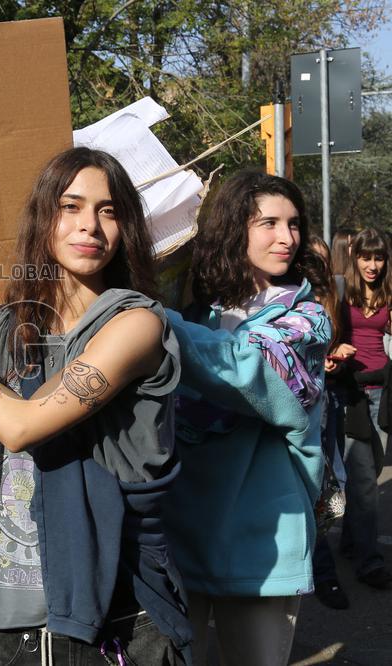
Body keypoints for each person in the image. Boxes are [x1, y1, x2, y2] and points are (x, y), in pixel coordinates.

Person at [0, 147, 191, 665]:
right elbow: (6, 459)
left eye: (108, 211)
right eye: (71, 207)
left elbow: (20, 427)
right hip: (13, 621)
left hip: (115, 612)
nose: (90, 225)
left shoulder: (136, 326)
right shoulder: (7, 331)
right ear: (43, 218)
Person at [163, 171, 330, 665]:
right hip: (181, 530)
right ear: (233, 229)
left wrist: (151, 320)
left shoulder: (306, 320)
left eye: (294, 224)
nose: (288, 238)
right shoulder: (199, 314)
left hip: (264, 536)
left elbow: (248, 368)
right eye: (269, 223)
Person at [338, 227, 392, 589]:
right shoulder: (341, 291)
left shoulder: (388, 292)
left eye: (379, 257)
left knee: (370, 473)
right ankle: (369, 562)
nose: (372, 265)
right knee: (363, 481)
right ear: (355, 257)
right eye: (366, 257)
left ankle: (349, 541)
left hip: (382, 392)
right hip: (351, 394)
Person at [303, 238, 351, 609]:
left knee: (330, 484)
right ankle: (321, 573)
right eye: (311, 260)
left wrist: (334, 357)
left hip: (328, 401)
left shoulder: (333, 296)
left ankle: (323, 572)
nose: (317, 267)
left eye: (322, 260)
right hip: (303, 408)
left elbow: (336, 341)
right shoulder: (290, 298)